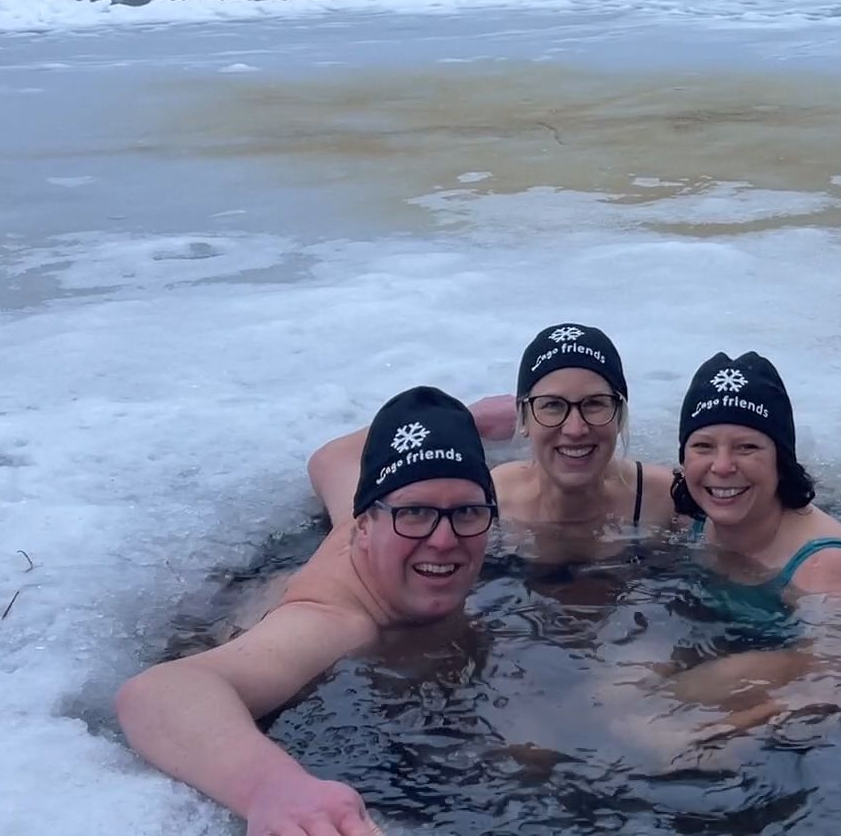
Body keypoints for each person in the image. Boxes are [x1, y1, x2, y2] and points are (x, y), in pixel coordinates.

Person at [116, 385, 500, 836]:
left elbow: (330, 459)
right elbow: (159, 690)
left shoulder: (358, 521)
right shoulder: (334, 623)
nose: (443, 539)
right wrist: (270, 787)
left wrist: (465, 421)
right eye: (414, 513)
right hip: (230, 625)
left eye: (468, 512)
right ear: (365, 527)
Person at [601, 351, 841, 764]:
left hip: (785, 667)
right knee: (607, 696)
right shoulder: (691, 519)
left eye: (746, 447)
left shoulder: (824, 566)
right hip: (729, 641)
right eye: (703, 446)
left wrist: (718, 734)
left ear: (780, 458)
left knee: (666, 724)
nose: (721, 466)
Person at [308, 324, 678, 563]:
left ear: (620, 414)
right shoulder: (483, 505)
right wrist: (467, 418)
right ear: (523, 419)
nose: (576, 428)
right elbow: (332, 461)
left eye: (595, 404)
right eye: (552, 406)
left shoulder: (663, 497)